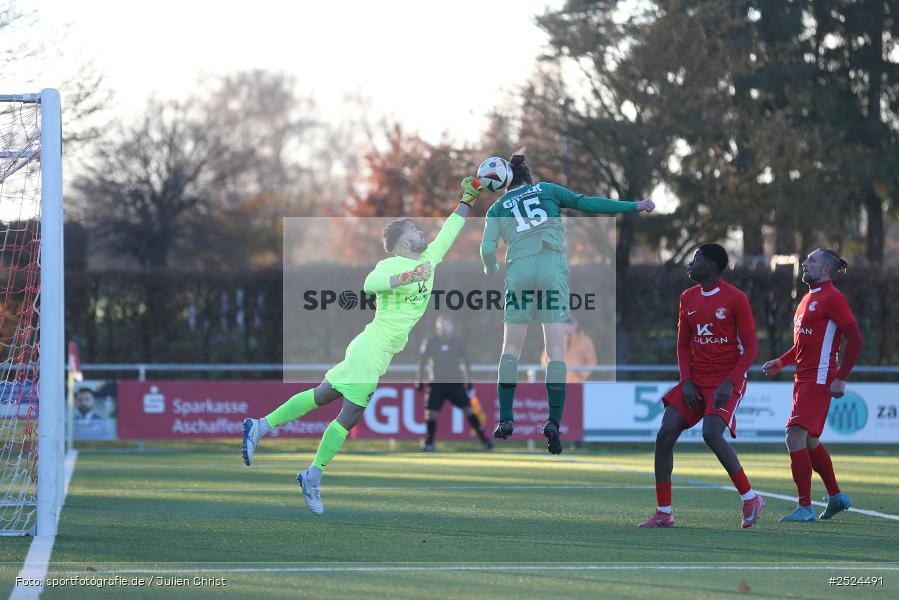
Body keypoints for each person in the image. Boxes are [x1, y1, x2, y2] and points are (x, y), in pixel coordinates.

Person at [241, 177, 483, 515]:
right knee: (350, 412)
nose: (421, 233)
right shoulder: (392, 265)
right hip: (372, 348)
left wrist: (467, 200)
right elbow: (370, 284)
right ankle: (312, 475)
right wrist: (406, 278)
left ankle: (261, 426)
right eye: (414, 230)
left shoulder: (429, 258)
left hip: (374, 350)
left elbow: (450, 231)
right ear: (401, 242)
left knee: (323, 394)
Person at [480, 149, 654, 454]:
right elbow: (586, 202)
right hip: (551, 267)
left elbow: (486, 250)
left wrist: (491, 267)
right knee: (556, 351)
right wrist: (633, 205)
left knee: (510, 349)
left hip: (519, 270)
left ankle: (506, 418)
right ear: (528, 178)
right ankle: (553, 422)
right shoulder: (546, 190)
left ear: (504, 182)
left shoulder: (496, 209)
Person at [638, 244, 764, 529]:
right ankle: (664, 512)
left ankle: (750, 497)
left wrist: (731, 381)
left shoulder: (736, 298)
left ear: (712, 265)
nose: (690, 265)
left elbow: (751, 347)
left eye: (696, 260)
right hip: (694, 380)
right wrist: (686, 381)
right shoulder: (687, 298)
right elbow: (683, 345)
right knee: (665, 433)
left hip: (726, 380)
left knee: (711, 433)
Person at [762, 248, 863, 522]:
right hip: (803, 378)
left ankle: (804, 507)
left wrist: (841, 377)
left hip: (820, 378)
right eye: (806, 259)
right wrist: (782, 362)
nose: (805, 263)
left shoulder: (833, 298)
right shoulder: (808, 298)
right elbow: (802, 344)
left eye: (812, 260)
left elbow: (855, 339)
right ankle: (835, 496)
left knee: (793, 435)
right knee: (809, 440)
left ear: (826, 270)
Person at [416, 314, 493, 451]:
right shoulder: (431, 341)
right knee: (430, 413)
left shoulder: (457, 341)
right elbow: (422, 362)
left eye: (446, 325)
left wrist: (469, 379)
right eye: (441, 326)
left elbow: (466, 361)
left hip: (455, 383)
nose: (444, 329)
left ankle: (484, 440)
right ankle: (429, 443)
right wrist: (420, 379)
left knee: (468, 410)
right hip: (437, 384)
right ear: (437, 328)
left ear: (451, 326)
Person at [539, 316, 597, 384]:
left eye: (571, 323)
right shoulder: (555, 339)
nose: (569, 325)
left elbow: (591, 361)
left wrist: (581, 374)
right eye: (567, 323)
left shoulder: (585, 341)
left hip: (577, 382)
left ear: (576, 324)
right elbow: (545, 358)